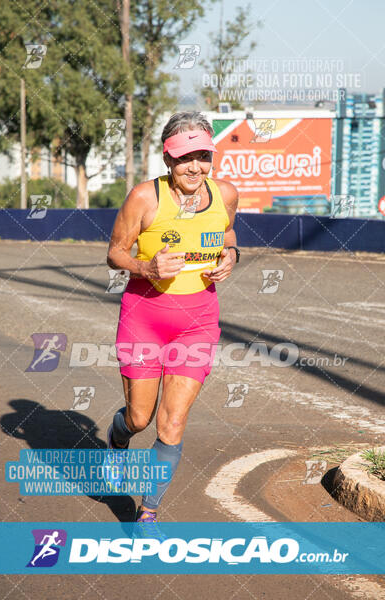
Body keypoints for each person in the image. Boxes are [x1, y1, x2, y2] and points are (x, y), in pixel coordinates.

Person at [105, 111, 239, 524]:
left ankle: (148, 512)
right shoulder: (145, 197)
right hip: (144, 319)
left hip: (197, 322)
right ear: (168, 159)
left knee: (173, 422)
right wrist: (146, 268)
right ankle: (117, 437)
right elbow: (114, 253)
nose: (195, 167)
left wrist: (231, 255)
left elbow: (228, 233)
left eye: (203, 156)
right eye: (185, 158)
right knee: (140, 418)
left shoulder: (226, 194)